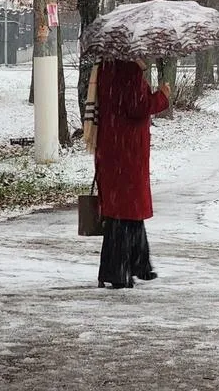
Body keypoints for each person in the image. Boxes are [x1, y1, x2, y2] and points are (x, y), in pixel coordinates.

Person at [94, 59, 171, 289]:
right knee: (125, 213)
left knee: (125, 211)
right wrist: (162, 95)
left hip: (113, 149)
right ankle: (119, 272)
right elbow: (137, 106)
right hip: (127, 153)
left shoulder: (109, 68)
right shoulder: (129, 71)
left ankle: (139, 264)